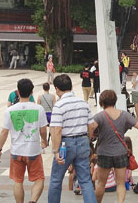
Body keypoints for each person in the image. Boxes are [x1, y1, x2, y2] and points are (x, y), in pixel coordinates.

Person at [0, 78, 48, 203]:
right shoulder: (39, 109)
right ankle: (33, 200)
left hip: (16, 151)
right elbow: (43, 130)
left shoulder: (10, 110)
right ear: (32, 92)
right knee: (39, 179)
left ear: (18, 92)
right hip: (33, 151)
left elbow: (4, 132)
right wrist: (44, 141)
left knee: (18, 181)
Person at [48, 74, 98, 203]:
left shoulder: (59, 106)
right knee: (85, 180)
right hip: (82, 141)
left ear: (57, 88)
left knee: (56, 179)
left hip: (66, 143)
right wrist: (87, 138)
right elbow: (92, 125)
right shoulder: (83, 103)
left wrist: (55, 150)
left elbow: (56, 129)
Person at [92, 89, 138, 203]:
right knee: (121, 183)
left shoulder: (99, 116)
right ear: (115, 101)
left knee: (101, 184)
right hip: (120, 153)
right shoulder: (124, 114)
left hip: (104, 153)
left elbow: (91, 128)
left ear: (101, 101)